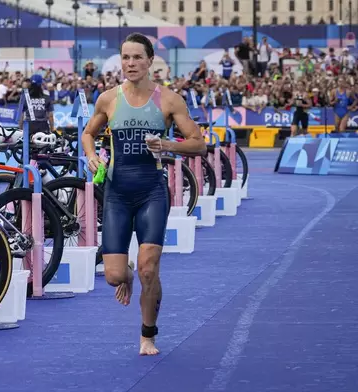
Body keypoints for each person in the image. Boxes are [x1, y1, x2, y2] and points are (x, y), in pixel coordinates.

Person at [81, 33, 206, 356]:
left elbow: (199, 144)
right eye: (126, 57)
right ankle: (128, 274)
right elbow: (88, 134)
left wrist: (167, 145)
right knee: (113, 276)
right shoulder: (108, 99)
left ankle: (147, 335)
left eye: (137, 57)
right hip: (117, 193)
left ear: (151, 61)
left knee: (151, 267)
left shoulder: (169, 100)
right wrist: (92, 155)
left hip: (151, 190)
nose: (131, 63)